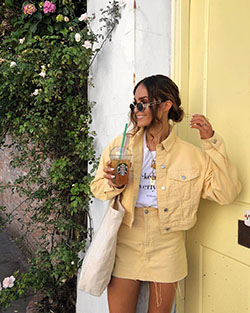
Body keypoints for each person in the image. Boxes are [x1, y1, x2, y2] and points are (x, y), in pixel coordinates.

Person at [90, 74, 241, 313]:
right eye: (134, 103)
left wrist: (211, 142)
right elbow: (97, 188)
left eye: (142, 102)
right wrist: (113, 184)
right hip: (127, 237)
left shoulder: (191, 154)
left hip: (168, 243)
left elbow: (227, 193)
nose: (136, 109)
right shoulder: (122, 145)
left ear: (165, 104)